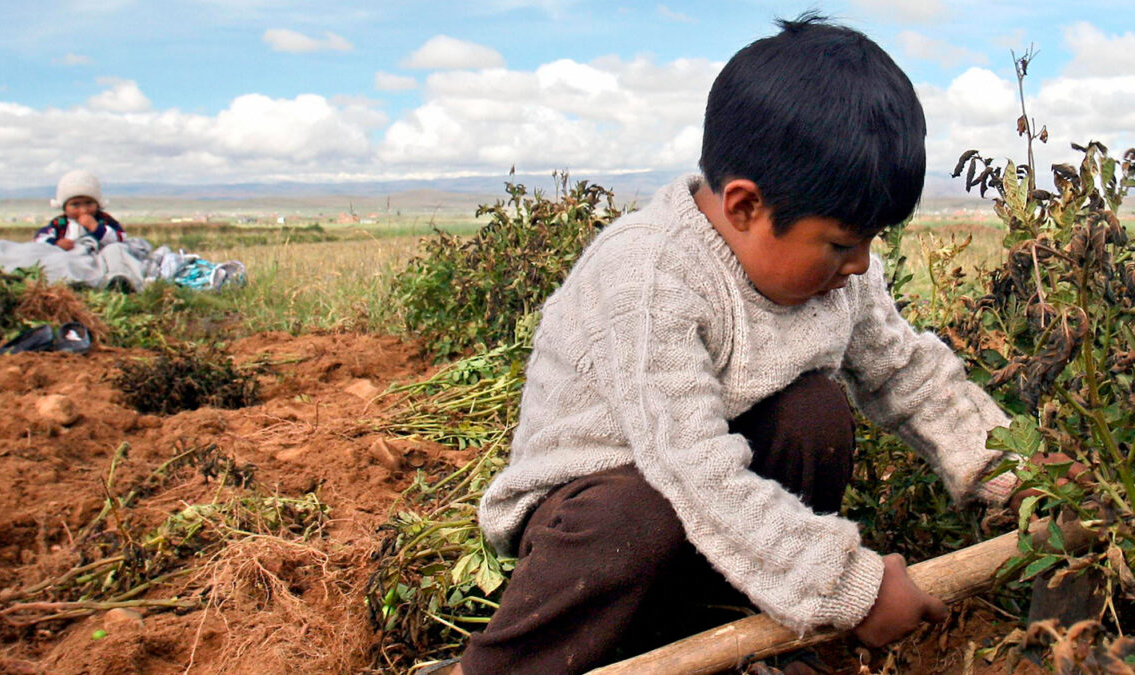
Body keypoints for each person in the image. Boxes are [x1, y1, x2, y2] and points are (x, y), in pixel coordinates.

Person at [420, 14, 1038, 675]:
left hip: (716, 508)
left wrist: (1028, 482)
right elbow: (689, 466)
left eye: (871, 241)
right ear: (744, 206)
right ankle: (493, 667)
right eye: (840, 243)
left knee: (813, 414)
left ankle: (739, 626)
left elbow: (908, 374)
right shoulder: (650, 274)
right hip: (595, 513)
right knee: (637, 515)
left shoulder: (841, 275)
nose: (860, 264)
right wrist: (846, 585)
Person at [35, 169, 125, 251]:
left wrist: (96, 228)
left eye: (89, 203)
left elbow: (120, 238)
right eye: (75, 204)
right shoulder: (60, 223)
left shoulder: (104, 220)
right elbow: (40, 238)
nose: (83, 210)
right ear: (64, 208)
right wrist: (56, 243)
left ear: (98, 204)